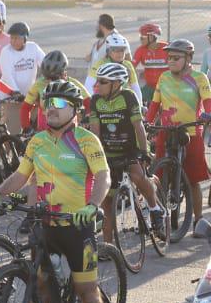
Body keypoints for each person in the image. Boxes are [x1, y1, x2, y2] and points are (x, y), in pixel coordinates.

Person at [0, 79, 116, 303]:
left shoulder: (86, 141)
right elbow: (20, 175)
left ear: (74, 110)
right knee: (38, 291)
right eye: (47, 104)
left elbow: (103, 176)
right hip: (46, 227)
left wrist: (94, 205)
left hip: (77, 227)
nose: (50, 110)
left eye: (58, 105)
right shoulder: (37, 141)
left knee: (88, 296)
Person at [87, 61, 163, 242]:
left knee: (137, 175)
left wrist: (144, 152)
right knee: (107, 201)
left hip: (130, 149)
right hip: (108, 152)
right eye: (97, 81)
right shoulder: (96, 100)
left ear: (116, 84)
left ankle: (155, 209)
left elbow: (138, 127)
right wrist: (93, 156)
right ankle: (108, 246)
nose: (97, 85)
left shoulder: (128, 97)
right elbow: (95, 131)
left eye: (103, 82)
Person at [147, 38, 211, 226]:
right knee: (158, 178)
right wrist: (147, 122)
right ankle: (158, 219)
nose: (171, 61)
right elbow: (155, 104)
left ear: (189, 58)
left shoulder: (199, 78)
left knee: (193, 180)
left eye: (176, 57)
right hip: (166, 132)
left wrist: (208, 113)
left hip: (190, 133)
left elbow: (208, 101)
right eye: (169, 57)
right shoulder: (164, 77)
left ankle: (198, 220)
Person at [21, 50, 87, 133]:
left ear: (64, 74)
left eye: (54, 78)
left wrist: (86, 120)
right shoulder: (39, 84)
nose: (50, 81)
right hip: (44, 129)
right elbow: (25, 108)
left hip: (68, 130)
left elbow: (89, 102)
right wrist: (26, 128)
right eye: (47, 77)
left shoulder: (73, 83)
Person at [0, 22, 45, 131]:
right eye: (12, 38)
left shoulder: (33, 48)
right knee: (13, 131)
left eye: (16, 38)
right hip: (11, 99)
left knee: (35, 128)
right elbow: (7, 75)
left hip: (29, 97)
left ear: (24, 38)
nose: (13, 41)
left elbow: (45, 64)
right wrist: (16, 92)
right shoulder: (6, 51)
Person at [84, 32, 142, 101]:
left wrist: (140, 105)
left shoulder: (128, 65)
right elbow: (88, 84)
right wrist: (93, 102)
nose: (120, 53)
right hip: (104, 100)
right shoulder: (100, 64)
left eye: (122, 50)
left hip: (122, 100)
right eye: (115, 50)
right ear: (108, 51)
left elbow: (135, 87)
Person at [134, 22, 168, 105]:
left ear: (152, 37)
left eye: (143, 37)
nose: (140, 39)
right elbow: (131, 66)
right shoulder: (140, 50)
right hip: (150, 87)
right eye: (140, 37)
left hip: (166, 87)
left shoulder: (167, 48)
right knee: (135, 100)